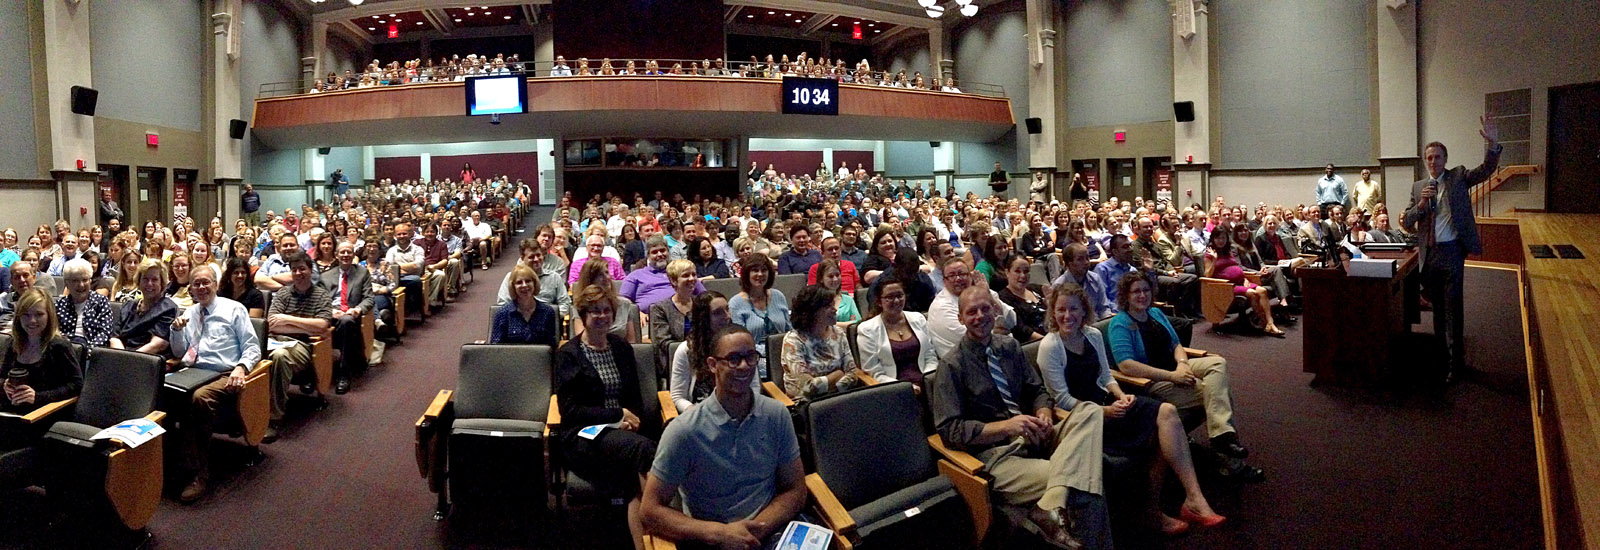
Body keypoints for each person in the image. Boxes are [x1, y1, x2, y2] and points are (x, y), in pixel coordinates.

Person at [928, 286, 1110, 550]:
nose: (980, 316)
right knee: (1085, 482)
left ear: (995, 311)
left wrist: (1044, 414)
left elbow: (1036, 390)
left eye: (985, 308)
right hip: (998, 456)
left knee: (1090, 411)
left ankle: (1049, 505)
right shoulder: (952, 365)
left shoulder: (1009, 346)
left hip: (1036, 436)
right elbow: (950, 430)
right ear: (960, 318)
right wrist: (1006, 427)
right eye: (971, 312)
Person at [1037, 283, 1225, 536]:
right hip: (1081, 420)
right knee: (1156, 432)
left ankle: (1193, 499)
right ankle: (1153, 513)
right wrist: (1104, 411)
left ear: (1083, 311)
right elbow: (1061, 398)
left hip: (1107, 404)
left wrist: (1122, 396)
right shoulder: (1050, 346)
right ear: (1053, 312)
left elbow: (1106, 376)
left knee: (1166, 413)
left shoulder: (1092, 335)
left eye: (1073, 309)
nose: (1067, 316)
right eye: (1060, 310)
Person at [642, 325, 807, 550]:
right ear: (712, 365)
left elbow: (795, 490)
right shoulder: (684, 432)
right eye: (733, 359)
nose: (744, 366)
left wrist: (754, 530)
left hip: (768, 530)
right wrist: (719, 534)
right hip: (712, 539)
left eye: (750, 357)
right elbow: (650, 511)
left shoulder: (776, 415)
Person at [1105, 275, 1263, 482]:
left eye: (1146, 290)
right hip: (1153, 380)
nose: (1142, 295)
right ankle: (1229, 457)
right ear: (1126, 295)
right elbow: (1127, 365)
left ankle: (1221, 436)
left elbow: (1176, 345)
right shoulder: (1120, 323)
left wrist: (1182, 365)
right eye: (1136, 291)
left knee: (1217, 363)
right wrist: (1173, 376)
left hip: (1176, 368)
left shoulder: (1155, 313)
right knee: (1216, 393)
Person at [555, 286, 659, 550]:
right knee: (645, 451)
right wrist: (616, 416)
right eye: (594, 311)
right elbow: (571, 411)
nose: (601, 316)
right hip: (582, 435)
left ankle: (644, 544)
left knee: (634, 479)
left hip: (624, 433)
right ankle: (659, 525)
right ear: (583, 314)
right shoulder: (569, 355)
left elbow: (633, 396)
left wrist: (630, 419)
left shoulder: (621, 347)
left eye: (606, 310)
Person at [1402, 118, 1501, 384]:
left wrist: (1492, 145)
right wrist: (1423, 202)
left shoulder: (1458, 176)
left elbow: (1486, 170)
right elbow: (1408, 220)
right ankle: (1439, 359)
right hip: (1430, 255)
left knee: (1453, 309)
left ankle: (1455, 366)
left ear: (1446, 159)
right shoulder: (1417, 187)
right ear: (1425, 161)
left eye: (1437, 157)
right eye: (1429, 158)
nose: (1433, 161)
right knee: (1437, 311)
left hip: (1452, 253)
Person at [170, 261, 261, 502]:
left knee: (199, 399)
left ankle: (199, 473)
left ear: (216, 284)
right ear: (190, 288)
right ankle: (170, 462)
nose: (201, 287)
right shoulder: (189, 313)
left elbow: (252, 347)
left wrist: (241, 368)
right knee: (161, 391)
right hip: (192, 371)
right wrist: (176, 331)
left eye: (205, 282)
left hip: (224, 374)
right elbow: (180, 353)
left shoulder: (234, 309)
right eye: (195, 284)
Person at [264, 250, 332, 441]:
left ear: (310, 270)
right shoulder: (284, 293)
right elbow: (272, 323)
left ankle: (274, 416)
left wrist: (287, 319)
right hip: (276, 340)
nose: (298, 273)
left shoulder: (321, 295)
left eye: (302, 269)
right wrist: (305, 325)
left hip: (304, 346)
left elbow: (322, 326)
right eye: (294, 270)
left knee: (279, 356)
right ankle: (249, 413)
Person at [1, 288, 82, 417]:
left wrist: (38, 397)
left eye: (39, 314)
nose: (32, 320)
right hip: (11, 410)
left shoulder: (59, 346)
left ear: (49, 316)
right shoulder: (14, 343)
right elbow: (2, 376)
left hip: (42, 413)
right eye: (26, 315)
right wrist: (5, 385)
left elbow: (76, 385)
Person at [855, 275, 938, 392]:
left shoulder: (918, 318)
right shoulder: (867, 329)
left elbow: (930, 356)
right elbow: (874, 372)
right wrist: (905, 388)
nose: (897, 301)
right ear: (879, 302)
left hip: (927, 384)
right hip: (893, 390)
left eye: (900, 295)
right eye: (890, 297)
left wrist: (928, 381)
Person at [779, 285, 860, 400]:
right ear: (812, 311)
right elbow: (808, 387)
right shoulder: (793, 340)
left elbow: (852, 374)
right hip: (807, 406)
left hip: (839, 398)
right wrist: (838, 375)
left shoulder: (838, 333)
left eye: (833, 304)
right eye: (828, 306)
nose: (835, 309)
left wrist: (832, 389)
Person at [927, 256, 1016, 359]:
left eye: (962, 274)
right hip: (963, 363)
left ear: (970, 276)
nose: (958, 279)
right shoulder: (940, 308)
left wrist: (988, 295)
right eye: (952, 275)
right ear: (944, 281)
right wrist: (1001, 327)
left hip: (998, 353)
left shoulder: (979, 291)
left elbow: (1012, 320)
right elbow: (978, 339)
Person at [1205, 225, 1284, 336]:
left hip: (1240, 282)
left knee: (1262, 291)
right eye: (1218, 238)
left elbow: (1236, 267)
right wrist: (1214, 260)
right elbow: (1207, 276)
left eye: (1223, 238)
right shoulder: (1210, 254)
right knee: (1252, 293)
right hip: (1226, 286)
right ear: (1213, 239)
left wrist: (1244, 278)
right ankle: (1264, 323)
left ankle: (1270, 323)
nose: (1221, 241)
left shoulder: (1228, 251)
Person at [319, 242, 372, 394]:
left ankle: (344, 373)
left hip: (351, 316)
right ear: (336, 255)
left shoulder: (362, 273)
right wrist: (330, 311)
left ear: (354, 255)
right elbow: (320, 301)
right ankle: (312, 374)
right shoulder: (326, 276)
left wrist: (358, 309)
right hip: (331, 315)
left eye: (349, 252)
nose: (345, 255)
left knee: (347, 321)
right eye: (342, 252)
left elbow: (369, 298)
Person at [728, 253, 790, 366]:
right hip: (753, 360)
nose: (760, 274)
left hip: (784, 355)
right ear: (747, 274)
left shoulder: (778, 296)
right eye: (755, 270)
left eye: (764, 270)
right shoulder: (735, 303)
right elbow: (741, 342)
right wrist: (769, 351)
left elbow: (789, 330)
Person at [108, 258, 177, 355]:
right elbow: (115, 338)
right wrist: (121, 357)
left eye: (154, 280)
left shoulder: (168, 308)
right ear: (139, 282)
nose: (149, 284)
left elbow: (158, 344)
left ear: (162, 283)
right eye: (145, 279)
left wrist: (129, 358)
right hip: (120, 356)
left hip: (146, 360)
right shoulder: (128, 306)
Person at [621, 236, 704, 312]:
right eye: (654, 252)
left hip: (683, 315)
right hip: (647, 320)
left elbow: (704, 295)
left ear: (668, 252)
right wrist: (637, 313)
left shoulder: (682, 272)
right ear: (648, 256)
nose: (660, 254)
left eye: (662, 250)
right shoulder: (636, 275)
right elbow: (623, 301)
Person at [572, 258, 640, 342]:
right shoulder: (581, 305)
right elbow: (581, 340)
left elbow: (631, 342)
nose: (606, 277)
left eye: (607, 272)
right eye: (600, 274)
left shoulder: (625, 304)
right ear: (590, 280)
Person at [491, 263, 559, 346]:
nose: (524, 285)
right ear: (513, 287)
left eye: (528, 281)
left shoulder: (547, 312)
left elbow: (551, 346)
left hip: (540, 358)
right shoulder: (502, 313)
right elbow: (495, 348)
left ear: (534, 283)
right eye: (519, 282)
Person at [54, 259, 114, 347]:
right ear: (67, 283)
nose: (81, 285)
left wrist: (87, 350)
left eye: (85, 280)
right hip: (65, 351)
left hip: (93, 352)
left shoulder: (101, 302)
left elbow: (105, 332)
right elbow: (54, 332)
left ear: (90, 281)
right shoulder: (59, 305)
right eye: (75, 280)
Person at [648, 259, 699, 359]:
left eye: (694, 274)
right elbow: (663, 343)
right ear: (673, 281)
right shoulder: (660, 308)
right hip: (673, 360)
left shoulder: (701, 304)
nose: (692, 278)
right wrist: (694, 348)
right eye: (686, 275)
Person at [1051, 243, 1112, 321]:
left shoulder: (1095, 278)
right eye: (1080, 259)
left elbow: (1104, 308)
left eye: (1087, 258)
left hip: (1098, 323)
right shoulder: (1059, 285)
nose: (1086, 262)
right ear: (1069, 263)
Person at [996, 254, 1046, 342]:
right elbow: (1021, 331)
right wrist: (1048, 341)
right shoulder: (1003, 298)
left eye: (1026, 271)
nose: (1023, 276)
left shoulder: (1037, 289)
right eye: (1017, 271)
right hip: (1035, 344)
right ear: (1007, 273)